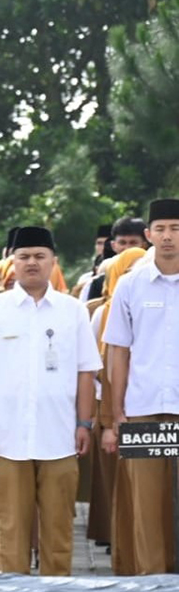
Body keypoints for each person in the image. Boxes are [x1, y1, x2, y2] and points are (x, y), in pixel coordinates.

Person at [0, 225, 100, 575]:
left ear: (54, 262)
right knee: (11, 531)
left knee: (59, 531)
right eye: (23, 256)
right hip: (7, 436)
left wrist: (85, 423)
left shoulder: (73, 311)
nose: (31, 263)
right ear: (12, 261)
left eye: (40, 256)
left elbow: (87, 372)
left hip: (61, 436)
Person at [101, 198, 179, 572]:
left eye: (176, 229)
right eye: (161, 229)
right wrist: (118, 412)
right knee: (146, 504)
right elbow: (118, 352)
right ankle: (154, 583)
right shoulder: (130, 286)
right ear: (148, 236)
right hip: (143, 408)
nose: (168, 237)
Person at [89, 247, 149, 568]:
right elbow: (106, 363)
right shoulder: (102, 311)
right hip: (121, 406)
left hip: (157, 404)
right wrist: (110, 417)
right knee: (130, 491)